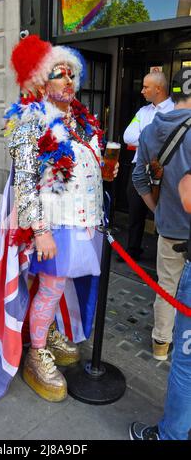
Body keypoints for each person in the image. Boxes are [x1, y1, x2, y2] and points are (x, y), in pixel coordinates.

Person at [0, 35, 118, 406]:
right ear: (41, 82)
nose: (69, 81)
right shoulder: (29, 123)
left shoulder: (81, 123)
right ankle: (36, 351)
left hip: (81, 223)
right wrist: (39, 231)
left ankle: (47, 332)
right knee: (52, 286)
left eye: (72, 74)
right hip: (52, 225)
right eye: (59, 74)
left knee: (58, 286)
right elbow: (24, 184)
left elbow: (83, 170)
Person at [133, 68, 191, 362]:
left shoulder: (150, 130)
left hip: (169, 227)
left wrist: (156, 210)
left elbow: (138, 178)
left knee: (166, 286)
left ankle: (160, 345)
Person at [130, 165, 191, 441]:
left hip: (172, 228)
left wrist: (158, 211)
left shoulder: (156, 125)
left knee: (187, 364)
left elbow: (187, 193)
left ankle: (171, 435)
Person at [121, 72, 174, 261]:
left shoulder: (174, 111)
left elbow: (170, 141)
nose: (142, 90)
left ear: (158, 88)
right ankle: (132, 251)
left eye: (146, 87)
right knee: (135, 212)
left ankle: (162, 257)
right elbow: (127, 136)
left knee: (163, 213)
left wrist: (143, 135)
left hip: (164, 170)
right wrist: (154, 137)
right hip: (139, 168)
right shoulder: (142, 112)